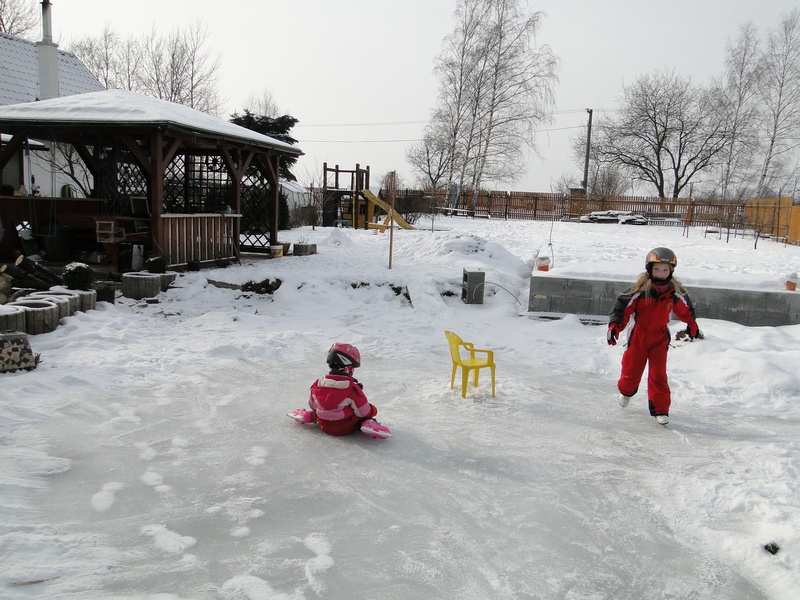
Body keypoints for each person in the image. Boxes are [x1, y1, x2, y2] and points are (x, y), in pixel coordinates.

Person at [607, 247, 700, 426]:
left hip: (659, 339)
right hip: (639, 337)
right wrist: (615, 327)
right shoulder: (639, 291)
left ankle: (661, 410)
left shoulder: (674, 293)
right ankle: (626, 392)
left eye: (665, 270)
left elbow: (686, 310)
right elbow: (623, 309)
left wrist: (692, 324)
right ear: (650, 269)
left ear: (671, 271)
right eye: (657, 269)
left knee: (658, 374)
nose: (661, 273)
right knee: (631, 370)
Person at [288, 343, 391, 439]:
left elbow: (313, 405)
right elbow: (363, 412)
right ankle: (367, 424)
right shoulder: (351, 389)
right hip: (345, 428)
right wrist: (373, 410)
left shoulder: (317, 384)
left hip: (323, 424)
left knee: (320, 411)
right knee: (362, 417)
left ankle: (309, 416)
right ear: (348, 368)